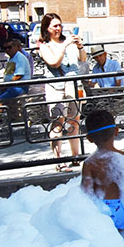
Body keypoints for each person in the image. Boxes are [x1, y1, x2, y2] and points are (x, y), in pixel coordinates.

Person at [80, 109, 124, 234]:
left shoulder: (89, 164)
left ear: (89, 138)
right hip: (123, 208)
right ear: (116, 131)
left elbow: (86, 192)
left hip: (102, 209)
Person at [38, 13, 87, 169]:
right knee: (58, 124)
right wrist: (64, 46)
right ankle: (58, 160)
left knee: (74, 121)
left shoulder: (69, 42)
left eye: (60, 25)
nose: (58, 29)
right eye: (55, 26)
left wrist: (80, 46)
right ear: (47, 28)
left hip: (74, 85)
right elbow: (54, 62)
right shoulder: (45, 47)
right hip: (56, 88)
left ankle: (75, 156)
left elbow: (83, 59)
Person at [0, 36, 33, 110]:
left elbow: (18, 75)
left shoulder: (20, 58)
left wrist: (6, 85)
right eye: (5, 48)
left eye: (9, 47)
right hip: (10, 86)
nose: (7, 50)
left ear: (15, 47)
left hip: (19, 86)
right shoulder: (10, 58)